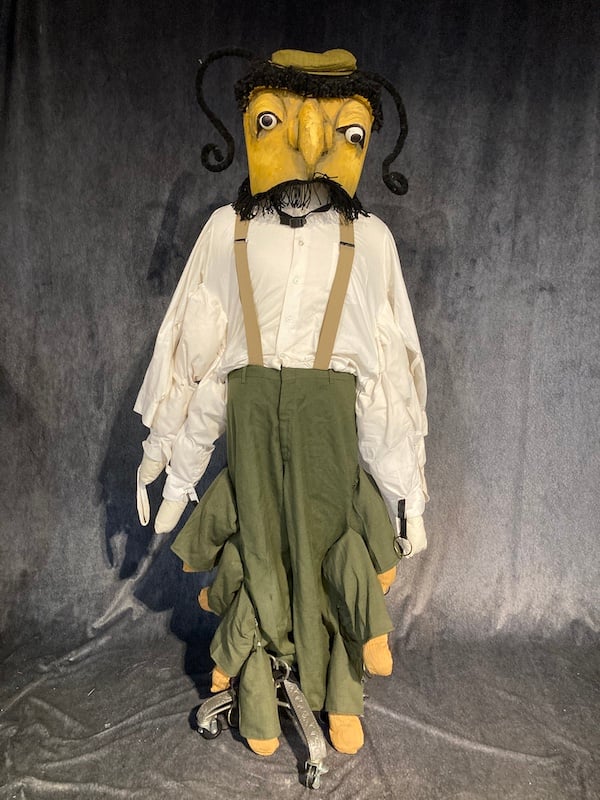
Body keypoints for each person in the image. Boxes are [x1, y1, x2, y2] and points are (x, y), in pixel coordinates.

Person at [134, 49, 428, 756]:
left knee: (332, 556)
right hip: (252, 432)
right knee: (259, 559)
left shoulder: (370, 240)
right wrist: (170, 463)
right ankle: (258, 691)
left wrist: (405, 495)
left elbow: (386, 384)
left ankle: (338, 697)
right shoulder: (225, 231)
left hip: (331, 439)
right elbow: (200, 362)